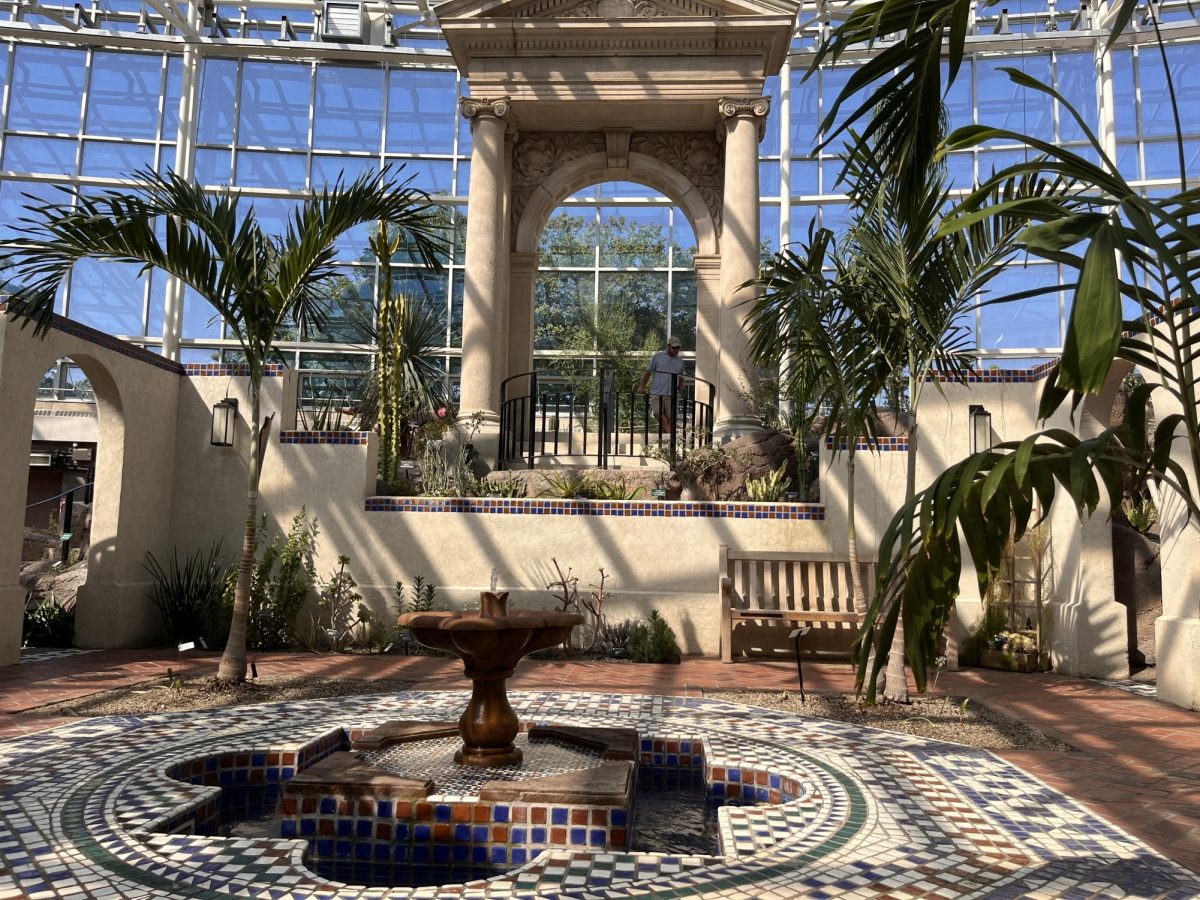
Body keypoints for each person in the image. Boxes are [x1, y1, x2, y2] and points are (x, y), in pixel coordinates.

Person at [636, 335, 686, 434]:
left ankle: (666, 441)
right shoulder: (657, 357)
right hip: (657, 392)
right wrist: (642, 387)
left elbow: (682, 378)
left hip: (671, 394)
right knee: (657, 413)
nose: (676, 350)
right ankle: (670, 435)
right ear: (668, 346)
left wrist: (679, 392)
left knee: (669, 419)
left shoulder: (679, 362)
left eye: (678, 348)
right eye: (674, 347)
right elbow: (648, 372)